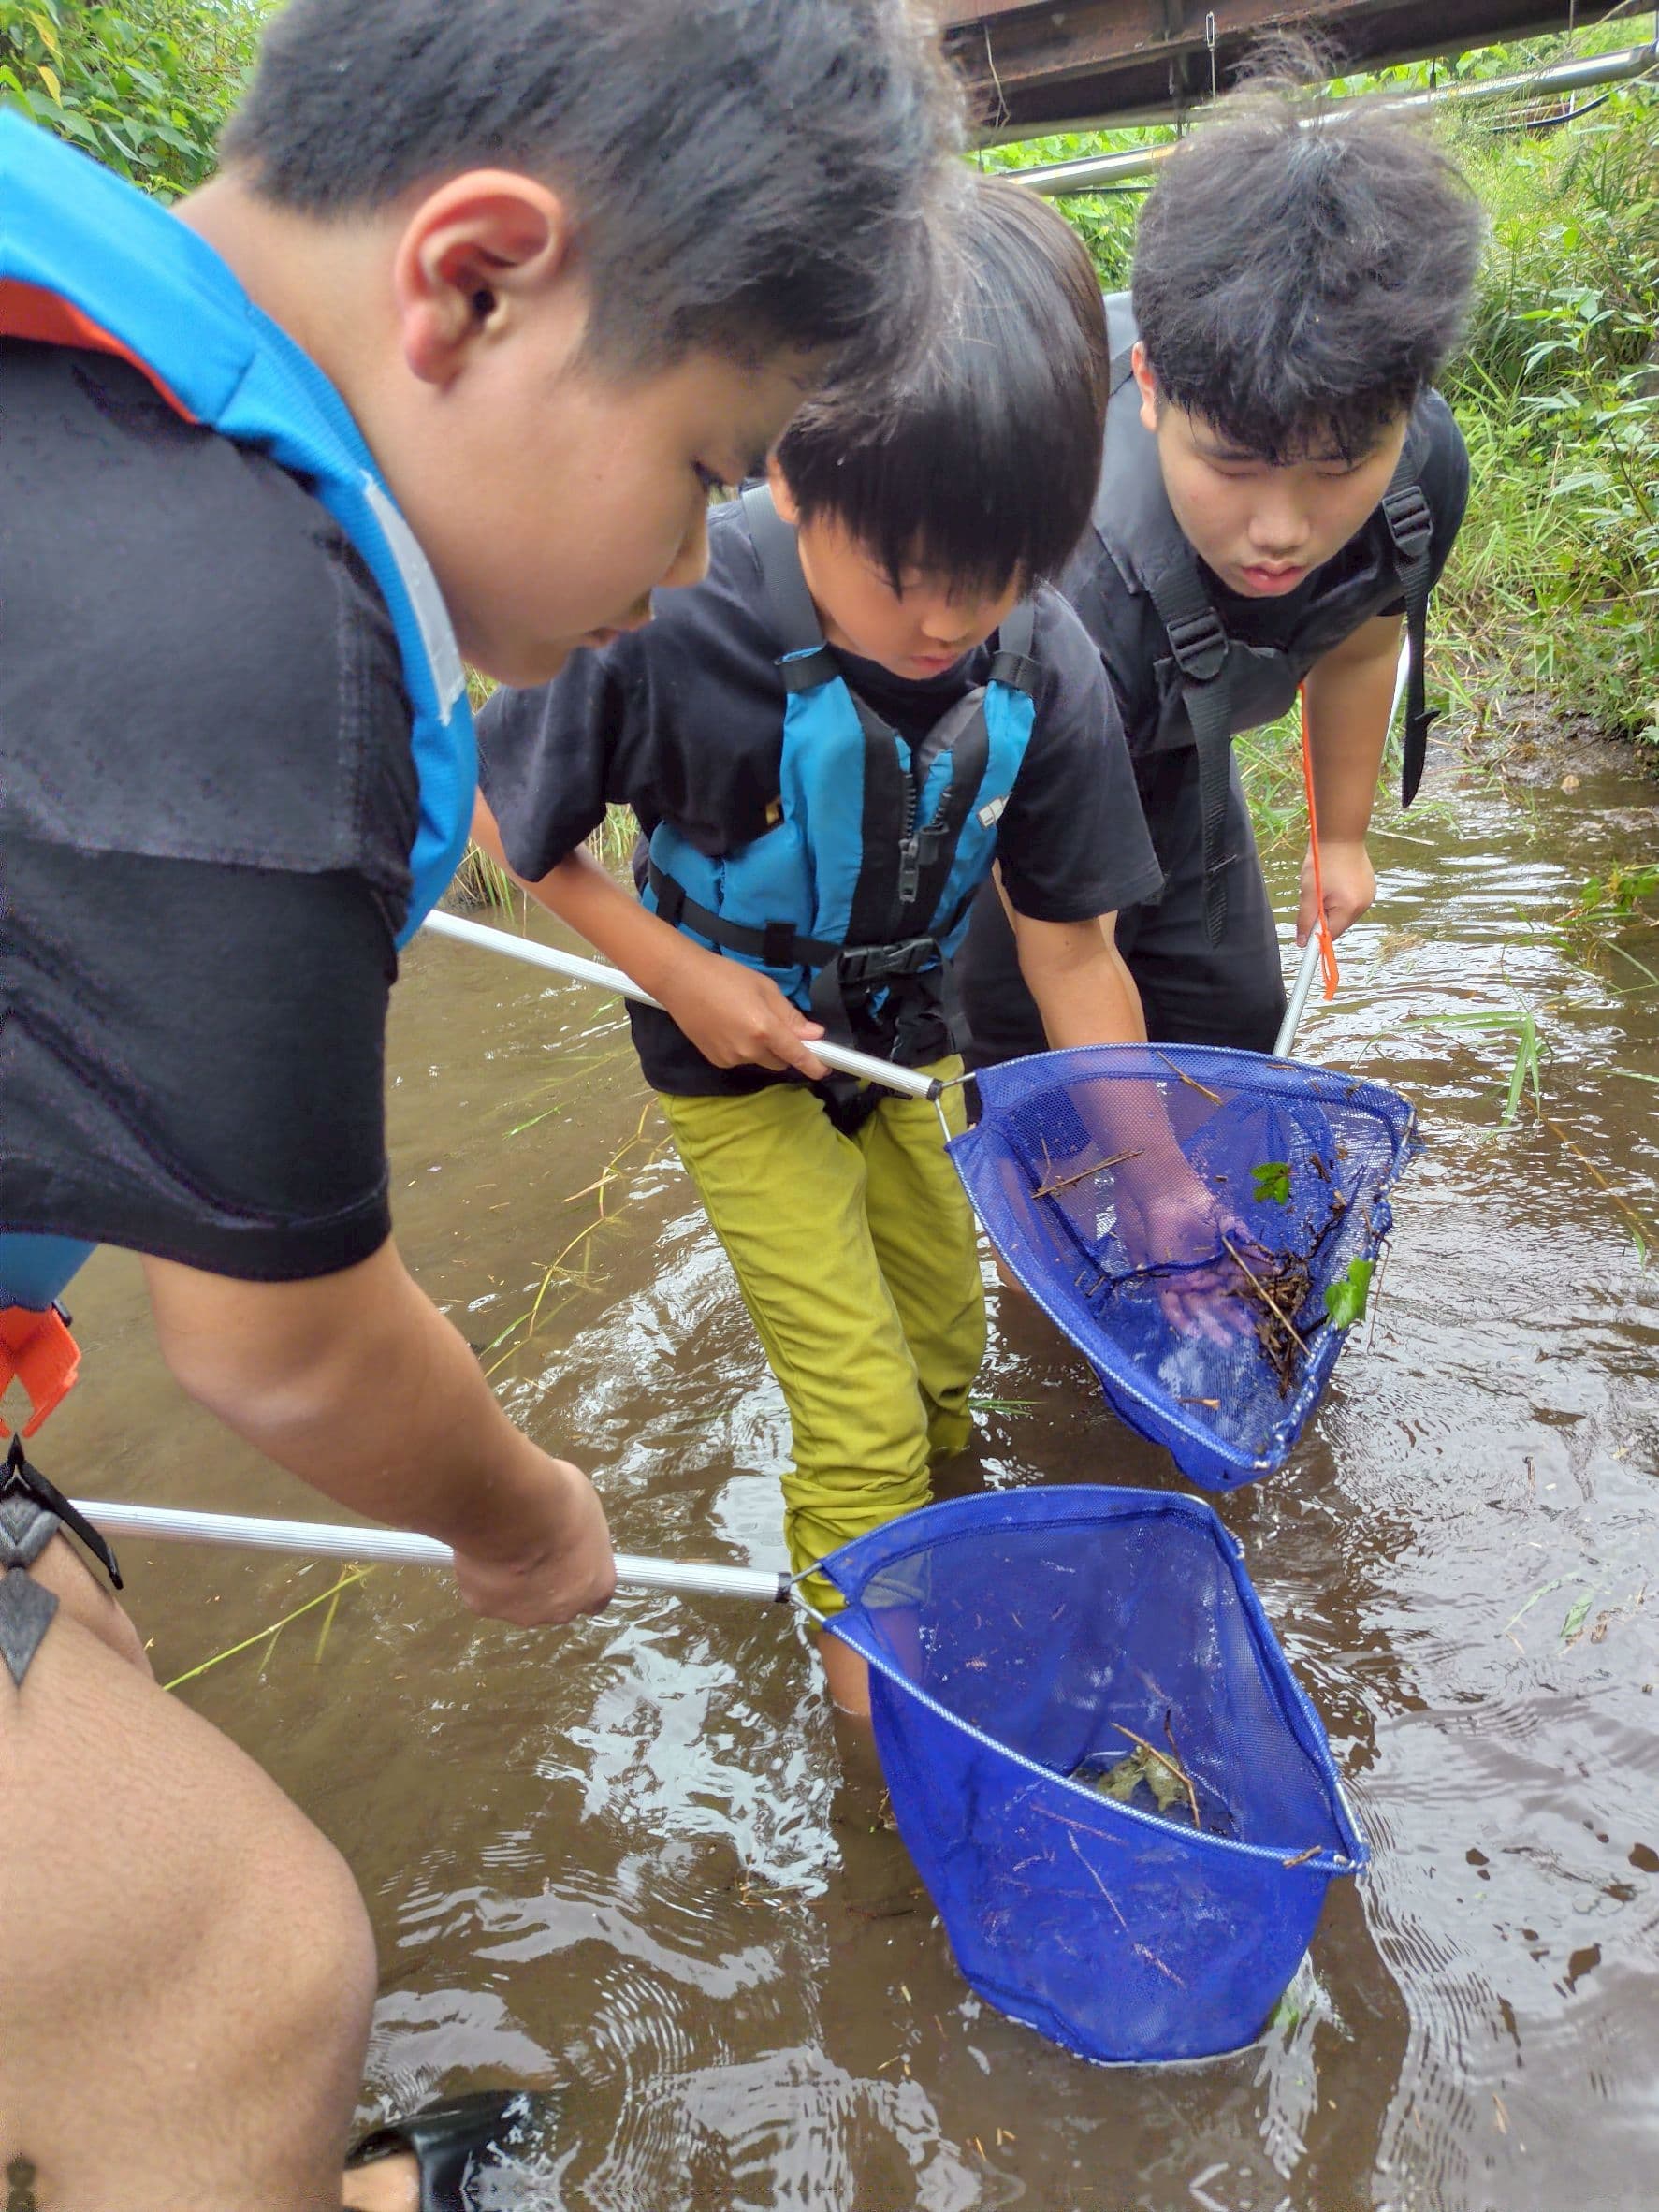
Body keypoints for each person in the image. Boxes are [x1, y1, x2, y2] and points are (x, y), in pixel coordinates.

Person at [0, 1, 961, 2204]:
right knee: (241, 1967)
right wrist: (518, 1513)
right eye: (713, 465)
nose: (706, 551)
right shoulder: (264, 645)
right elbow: (282, 1342)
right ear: (473, 279)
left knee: (89, 1640)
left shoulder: (110, 394)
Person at [473, 175, 1176, 1722]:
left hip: (898, 1042)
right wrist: (682, 971)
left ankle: (924, 1558)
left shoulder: (1040, 663)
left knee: (945, 1339)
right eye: (906, 575)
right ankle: (881, 1743)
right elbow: (511, 833)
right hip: (727, 1061)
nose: (948, 620)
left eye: (993, 574)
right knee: (857, 1404)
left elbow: (1071, 962)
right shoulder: (663, 608)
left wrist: (1168, 1184)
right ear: (791, 474)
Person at [960, 79, 1485, 1065]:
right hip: (1019, 764)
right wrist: (1145, 1168)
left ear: (1406, 411)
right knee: (1036, 1063)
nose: (1280, 532)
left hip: (1174, 749)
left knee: (1233, 1030)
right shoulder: (1066, 577)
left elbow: (1363, 642)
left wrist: (1341, 838)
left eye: (1336, 470)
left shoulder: (1419, 479)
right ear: (1152, 386)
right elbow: (1069, 950)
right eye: (1232, 466)